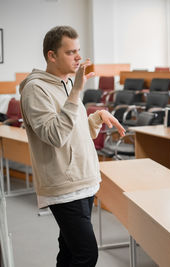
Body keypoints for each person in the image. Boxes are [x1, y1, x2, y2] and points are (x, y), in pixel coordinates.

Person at [19, 26, 125, 267]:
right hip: (65, 186)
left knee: (69, 252)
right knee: (86, 255)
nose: (78, 57)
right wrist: (77, 90)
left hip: (83, 179)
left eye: (78, 51)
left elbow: (72, 134)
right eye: (70, 52)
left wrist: (96, 118)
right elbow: (55, 136)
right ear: (51, 56)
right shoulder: (36, 89)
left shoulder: (66, 83)